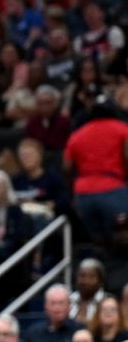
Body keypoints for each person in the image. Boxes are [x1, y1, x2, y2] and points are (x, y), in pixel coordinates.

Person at [63, 95, 128, 245]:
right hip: (113, 188)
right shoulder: (123, 129)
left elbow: (66, 167)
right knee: (123, 237)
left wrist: (72, 193)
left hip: (83, 193)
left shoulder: (77, 134)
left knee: (96, 241)